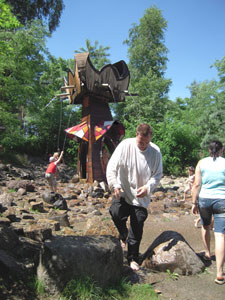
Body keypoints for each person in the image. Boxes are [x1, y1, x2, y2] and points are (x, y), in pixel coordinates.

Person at [106, 123, 163, 271]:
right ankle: (123, 234)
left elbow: (157, 175)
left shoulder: (155, 151)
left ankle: (132, 258)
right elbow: (112, 166)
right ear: (136, 135)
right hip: (123, 191)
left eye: (146, 142)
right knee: (115, 213)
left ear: (150, 139)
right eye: (140, 142)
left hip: (141, 197)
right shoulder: (125, 145)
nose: (143, 145)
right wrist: (115, 185)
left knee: (137, 227)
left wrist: (148, 187)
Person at [192, 140, 225, 284]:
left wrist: (194, 202)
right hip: (222, 200)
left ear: (209, 150)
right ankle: (219, 273)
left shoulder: (201, 162)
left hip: (204, 200)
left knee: (205, 227)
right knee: (220, 234)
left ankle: (207, 253)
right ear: (221, 150)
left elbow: (197, 184)